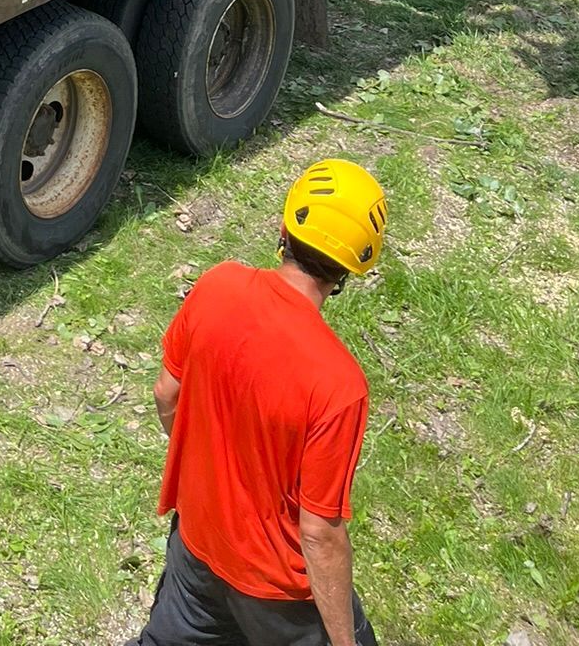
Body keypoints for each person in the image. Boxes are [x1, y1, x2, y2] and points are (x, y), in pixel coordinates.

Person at [123, 159, 388, 646]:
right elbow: (319, 534)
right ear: (353, 270)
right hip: (276, 592)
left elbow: (166, 393)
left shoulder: (217, 286)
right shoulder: (338, 384)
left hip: (197, 545)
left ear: (283, 229)